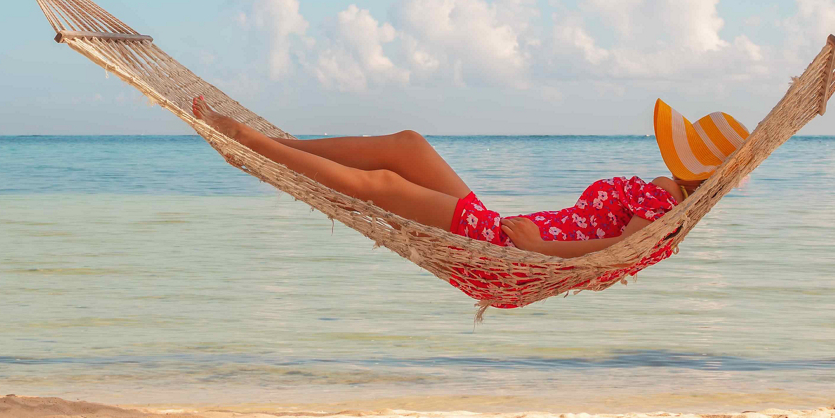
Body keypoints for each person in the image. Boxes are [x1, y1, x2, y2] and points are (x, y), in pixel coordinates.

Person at [189, 96, 747, 258]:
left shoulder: (665, 214)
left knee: (385, 185)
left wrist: (539, 250)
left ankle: (251, 143)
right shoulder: (664, 195)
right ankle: (276, 146)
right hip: (502, 233)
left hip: (509, 253)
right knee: (408, 144)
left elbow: (616, 254)